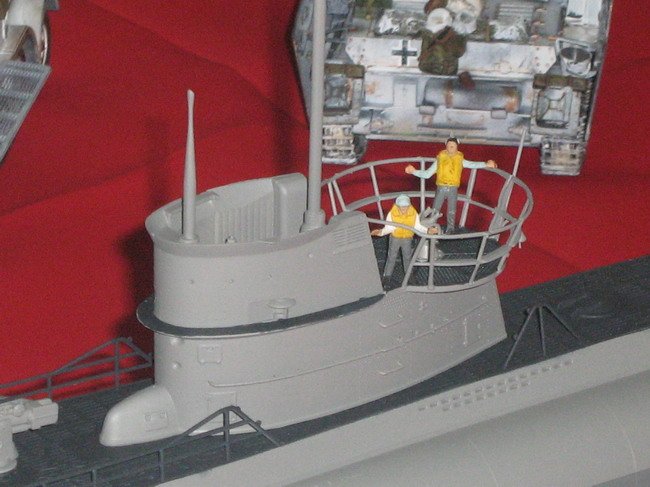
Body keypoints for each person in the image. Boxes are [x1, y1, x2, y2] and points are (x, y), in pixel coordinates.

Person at [405, 137, 497, 232]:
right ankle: (432, 228)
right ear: (446, 146)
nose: (450, 148)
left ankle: (450, 229)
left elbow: (472, 164)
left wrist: (485, 164)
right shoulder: (440, 159)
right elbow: (427, 174)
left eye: (453, 146)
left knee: (452, 210)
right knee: (435, 209)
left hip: (453, 188)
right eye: (449, 146)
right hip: (441, 187)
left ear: (457, 147)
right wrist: (414, 171)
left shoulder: (460, 159)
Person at [371, 195, 437, 283]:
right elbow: (389, 227)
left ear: (409, 206)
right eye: (401, 207)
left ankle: (409, 275)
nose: (403, 209)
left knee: (407, 257)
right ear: (397, 206)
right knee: (391, 257)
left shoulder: (413, 214)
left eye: (405, 206)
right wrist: (381, 232)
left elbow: (417, 227)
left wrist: (427, 230)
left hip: (407, 238)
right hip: (395, 238)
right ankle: (387, 276)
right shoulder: (392, 214)